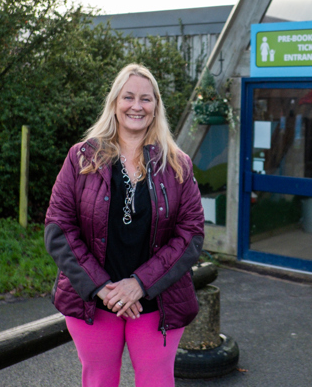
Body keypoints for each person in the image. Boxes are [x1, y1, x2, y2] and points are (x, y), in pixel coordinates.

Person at [45, 63, 205, 387]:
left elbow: (191, 235)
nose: (136, 106)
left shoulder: (177, 164)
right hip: (94, 300)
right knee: (99, 382)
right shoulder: (81, 158)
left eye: (146, 99)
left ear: (156, 107)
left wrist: (139, 285)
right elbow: (58, 228)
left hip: (158, 301)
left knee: (156, 382)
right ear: (115, 103)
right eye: (128, 97)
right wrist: (103, 287)